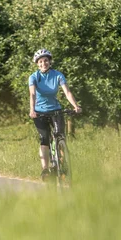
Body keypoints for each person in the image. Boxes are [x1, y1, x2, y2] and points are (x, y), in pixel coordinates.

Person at [28, 48, 82, 181]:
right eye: (40, 62)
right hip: (39, 112)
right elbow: (33, 94)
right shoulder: (34, 77)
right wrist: (32, 110)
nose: (43, 63)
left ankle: (63, 165)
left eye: (46, 61)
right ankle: (45, 169)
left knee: (60, 135)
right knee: (44, 138)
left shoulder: (58, 75)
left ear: (50, 62)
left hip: (55, 110)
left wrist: (75, 106)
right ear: (37, 64)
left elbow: (67, 92)